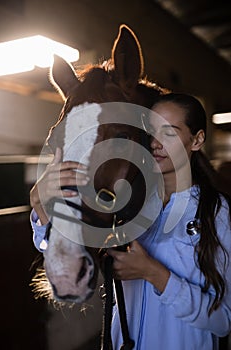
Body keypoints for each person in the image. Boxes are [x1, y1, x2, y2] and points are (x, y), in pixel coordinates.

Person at [30, 93, 231, 349]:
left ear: (197, 140)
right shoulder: (130, 206)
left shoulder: (217, 212)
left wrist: (155, 274)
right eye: (152, 132)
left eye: (169, 133)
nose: (156, 143)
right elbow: (74, 251)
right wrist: (40, 207)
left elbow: (223, 320)